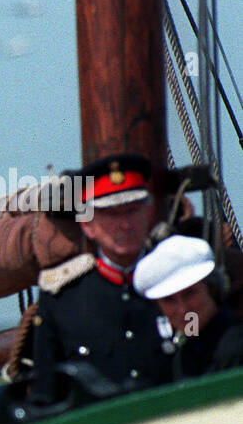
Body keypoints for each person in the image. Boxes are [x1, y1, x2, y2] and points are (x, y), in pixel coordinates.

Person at [30, 154, 174, 407]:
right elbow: (47, 397)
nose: (125, 224)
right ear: (87, 225)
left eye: (132, 211)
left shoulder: (180, 284)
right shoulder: (62, 299)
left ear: (148, 213)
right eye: (111, 214)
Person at [133, 234, 243, 378]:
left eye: (190, 293)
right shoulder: (183, 359)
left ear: (211, 288)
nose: (183, 309)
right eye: (169, 300)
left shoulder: (235, 348)